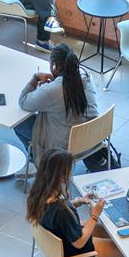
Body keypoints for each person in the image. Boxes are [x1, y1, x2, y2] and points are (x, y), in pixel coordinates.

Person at [25, 149, 123, 257]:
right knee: (120, 249)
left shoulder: (39, 193)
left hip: (56, 245)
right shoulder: (61, 210)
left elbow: (55, 216)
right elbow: (79, 242)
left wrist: (75, 203)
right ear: (61, 175)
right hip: (72, 254)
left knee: (105, 231)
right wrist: (95, 215)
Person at [15, 43, 98, 172]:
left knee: (19, 124)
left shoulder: (52, 90)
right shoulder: (86, 75)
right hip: (90, 140)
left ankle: (41, 164)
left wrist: (35, 78)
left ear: (54, 66)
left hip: (64, 145)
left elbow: (23, 101)